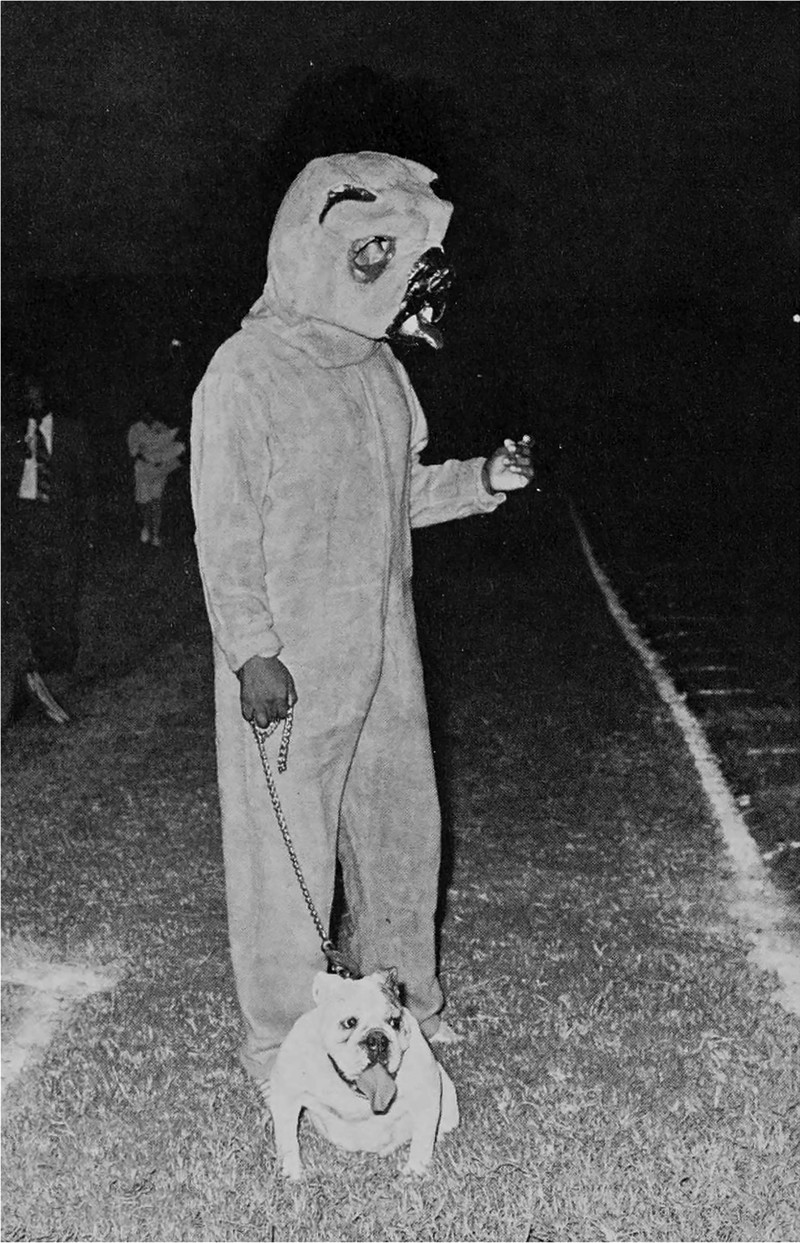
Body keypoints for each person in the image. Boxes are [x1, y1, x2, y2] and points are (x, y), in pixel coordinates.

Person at [191, 152, 533, 1103]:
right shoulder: (246, 370)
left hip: (386, 650)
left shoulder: (381, 370)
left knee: (399, 830)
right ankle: (280, 1037)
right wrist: (252, 650)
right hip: (288, 660)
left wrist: (482, 480)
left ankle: (405, 1002)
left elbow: (399, 495)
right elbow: (224, 527)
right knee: (284, 853)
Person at [3, 373, 93, 724]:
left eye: (39, 393)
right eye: (28, 394)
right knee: (33, 599)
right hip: (26, 525)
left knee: (63, 597)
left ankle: (58, 672)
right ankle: (39, 672)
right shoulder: (12, 434)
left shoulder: (71, 431)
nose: (34, 399)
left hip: (62, 525)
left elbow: (86, 483)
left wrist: (84, 529)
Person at [127, 410, 185, 547]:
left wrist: (162, 459)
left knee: (156, 502)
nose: (148, 416)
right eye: (146, 413)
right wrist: (150, 459)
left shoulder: (159, 426)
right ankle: (146, 527)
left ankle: (155, 534)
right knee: (145, 503)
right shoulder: (135, 429)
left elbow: (168, 444)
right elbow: (134, 452)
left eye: (150, 413)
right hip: (143, 471)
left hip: (159, 471)